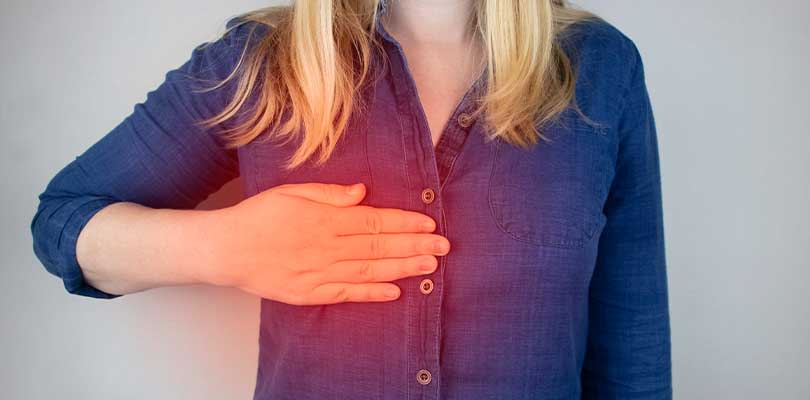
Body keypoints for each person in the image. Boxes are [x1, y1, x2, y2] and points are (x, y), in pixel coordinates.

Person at [30, 0, 671, 398]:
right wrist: (228, 248)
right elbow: (62, 221)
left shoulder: (598, 67)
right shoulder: (257, 61)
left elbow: (632, 333)